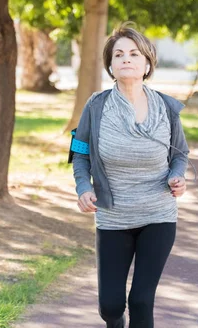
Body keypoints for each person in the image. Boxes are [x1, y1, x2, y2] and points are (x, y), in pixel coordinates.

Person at [71, 22, 190, 328]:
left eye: (134, 54)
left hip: (158, 214)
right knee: (110, 307)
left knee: (140, 300)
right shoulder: (96, 107)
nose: (126, 59)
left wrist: (178, 177)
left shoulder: (166, 107)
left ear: (147, 63)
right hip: (113, 215)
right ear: (110, 65)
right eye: (119, 54)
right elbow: (80, 153)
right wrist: (83, 187)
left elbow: (179, 154)